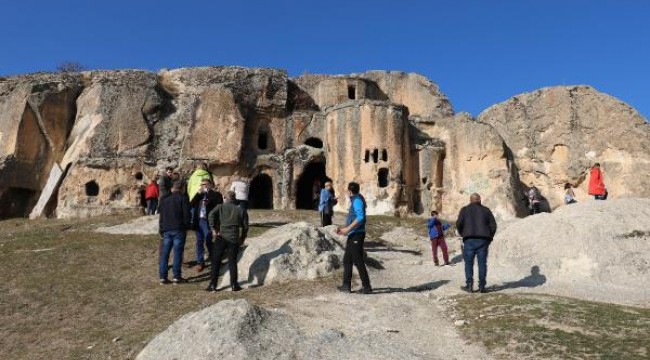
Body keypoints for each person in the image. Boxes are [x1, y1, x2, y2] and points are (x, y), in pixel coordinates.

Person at [205, 191, 249, 292]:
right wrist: (242, 237)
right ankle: (234, 285)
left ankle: (213, 285)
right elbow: (245, 226)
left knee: (216, 261)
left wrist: (213, 229)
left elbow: (210, 215)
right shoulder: (240, 210)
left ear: (226, 198)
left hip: (221, 236)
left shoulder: (220, 207)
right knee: (232, 262)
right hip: (234, 238)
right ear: (234, 198)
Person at [456, 193, 497, 294]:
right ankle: (482, 286)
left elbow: (459, 224)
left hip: (469, 239)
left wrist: (463, 234)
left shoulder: (464, 210)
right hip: (483, 240)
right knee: (482, 263)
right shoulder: (486, 210)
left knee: (468, 263)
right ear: (480, 200)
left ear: (470, 200)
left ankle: (469, 285)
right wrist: (489, 237)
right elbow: (493, 225)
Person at [336, 182, 372, 294]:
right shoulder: (357, 199)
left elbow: (360, 217)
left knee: (358, 261)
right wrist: (346, 229)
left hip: (357, 234)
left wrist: (347, 229)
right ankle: (346, 285)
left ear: (349, 191)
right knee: (347, 260)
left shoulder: (356, 200)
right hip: (354, 234)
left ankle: (367, 287)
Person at [158, 180, 191, 285]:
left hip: (166, 229)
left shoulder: (165, 199)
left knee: (165, 254)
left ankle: (163, 277)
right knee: (177, 253)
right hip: (179, 229)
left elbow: (161, 216)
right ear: (182, 188)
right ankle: (176, 277)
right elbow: (187, 215)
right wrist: (186, 226)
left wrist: (161, 228)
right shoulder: (183, 198)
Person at [189, 179, 223, 272]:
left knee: (208, 241)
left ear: (210, 185)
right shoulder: (199, 195)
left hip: (208, 221)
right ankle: (200, 262)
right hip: (199, 221)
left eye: (204, 184)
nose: (202, 186)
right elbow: (191, 204)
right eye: (201, 184)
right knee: (199, 242)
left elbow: (219, 205)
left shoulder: (216, 194)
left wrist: (209, 199)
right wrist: (198, 194)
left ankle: (214, 261)